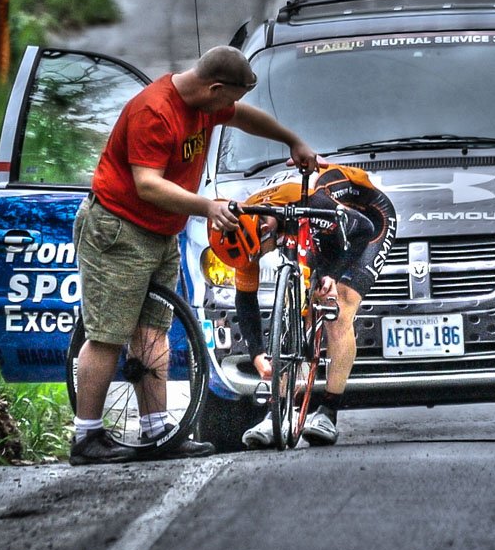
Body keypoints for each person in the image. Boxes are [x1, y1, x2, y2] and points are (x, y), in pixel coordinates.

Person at [70, 46, 320, 465]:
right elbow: (147, 184)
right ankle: (87, 437)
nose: (229, 108)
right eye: (229, 98)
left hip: (160, 233)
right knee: (108, 334)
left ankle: (157, 431)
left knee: (152, 331)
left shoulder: (204, 104)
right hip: (119, 229)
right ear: (214, 88)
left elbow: (243, 116)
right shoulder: (155, 111)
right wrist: (206, 207)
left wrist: (291, 140)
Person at [217, 164, 397, 448]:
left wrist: (333, 275)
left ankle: (328, 412)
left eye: (257, 253)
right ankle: (276, 413)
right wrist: (257, 353)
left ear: (265, 229)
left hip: (366, 217)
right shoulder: (242, 225)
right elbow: (245, 299)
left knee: (338, 304)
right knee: (300, 302)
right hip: (312, 224)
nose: (255, 260)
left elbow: (363, 229)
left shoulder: (315, 202)